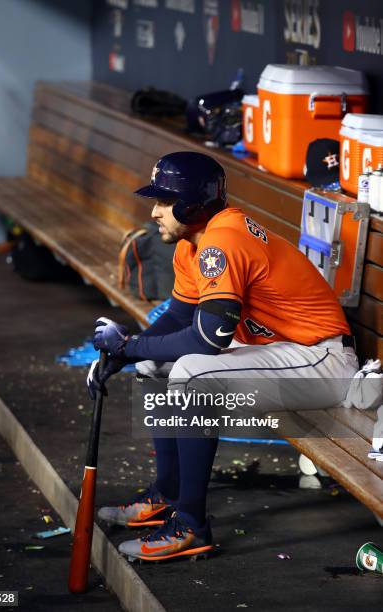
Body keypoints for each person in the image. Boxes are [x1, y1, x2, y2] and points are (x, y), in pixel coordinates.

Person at [87, 151, 358, 563]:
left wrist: (126, 344)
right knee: (152, 365)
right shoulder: (192, 242)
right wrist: (124, 355)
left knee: (192, 373)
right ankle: (170, 491)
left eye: (163, 201)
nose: (155, 211)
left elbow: (207, 340)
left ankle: (192, 525)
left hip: (323, 360)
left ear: (193, 205)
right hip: (279, 351)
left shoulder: (222, 241)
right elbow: (179, 316)